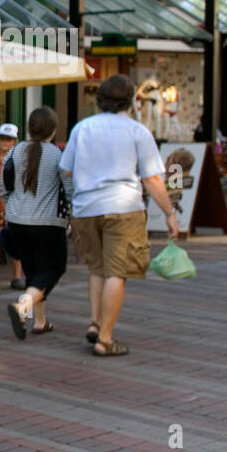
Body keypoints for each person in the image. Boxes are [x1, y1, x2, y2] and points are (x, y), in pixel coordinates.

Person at [59, 75, 178, 356]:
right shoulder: (137, 132)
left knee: (97, 268)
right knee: (117, 272)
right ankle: (106, 338)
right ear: (130, 100)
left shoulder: (82, 128)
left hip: (86, 208)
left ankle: (95, 322)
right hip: (123, 207)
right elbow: (152, 179)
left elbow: (67, 169)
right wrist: (170, 213)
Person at [2, 108, 70, 338]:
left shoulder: (14, 151)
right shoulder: (58, 156)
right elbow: (68, 189)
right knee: (53, 268)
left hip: (17, 220)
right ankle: (22, 306)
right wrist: (71, 216)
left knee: (34, 271)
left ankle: (40, 321)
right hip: (48, 222)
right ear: (53, 130)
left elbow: (5, 186)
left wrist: (10, 210)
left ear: (29, 128)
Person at [0, 124, 26, 290]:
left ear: (15, 141)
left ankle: (17, 277)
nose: (5, 142)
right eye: (2, 138)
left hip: (13, 207)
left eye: (9, 139)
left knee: (16, 242)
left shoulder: (20, 161)